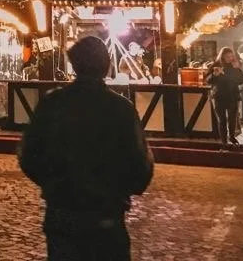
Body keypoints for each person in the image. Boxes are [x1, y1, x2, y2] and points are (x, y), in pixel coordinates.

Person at [19, 35, 153, 261]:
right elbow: (140, 163)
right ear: (106, 65)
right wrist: (121, 189)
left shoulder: (53, 103)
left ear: (73, 64)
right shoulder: (121, 108)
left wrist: (53, 184)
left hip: (63, 213)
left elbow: (29, 155)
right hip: (107, 214)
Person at [205, 47, 243, 146]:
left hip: (232, 95)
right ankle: (224, 140)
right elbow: (208, 80)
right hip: (219, 95)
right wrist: (214, 75)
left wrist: (237, 69)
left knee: (232, 119)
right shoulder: (215, 66)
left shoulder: (234, 66)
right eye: (227, 56)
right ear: (222, 56)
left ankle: (232, 137)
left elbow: (242, 80)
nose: (230, 58)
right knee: (222, 120)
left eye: (231, 56)